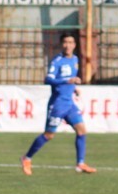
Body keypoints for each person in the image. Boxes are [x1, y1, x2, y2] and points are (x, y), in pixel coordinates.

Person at [21, 32, 96, 175]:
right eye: (65, 42)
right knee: (49, 135)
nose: (68, 45)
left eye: (70, 42)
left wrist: (74, 88)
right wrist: (67, 81)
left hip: (69, 104)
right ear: (62, 44)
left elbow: (70, 80)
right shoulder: (57, 61)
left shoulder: (75, 59)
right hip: (58, 104)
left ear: (74, 45)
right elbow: (48, 79)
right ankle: (27, 158)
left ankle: (80, 163)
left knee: (82, 131)